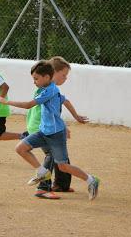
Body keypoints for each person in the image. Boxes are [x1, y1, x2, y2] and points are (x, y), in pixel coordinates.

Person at [0, 60, 100, 201]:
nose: (34, 82)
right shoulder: (48, 88)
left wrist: (5, 101)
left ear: (47, 77)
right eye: (33, 79)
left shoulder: (50, 90)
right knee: (20, 148)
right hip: (44, 132)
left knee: (63, 166)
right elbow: (64, 100)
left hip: (56, 135)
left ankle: (91, 180)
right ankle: (42, 173)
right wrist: (76, 116)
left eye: (36, 79)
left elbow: (28, 105)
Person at [24, 56, 89, 199]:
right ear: (53, 73)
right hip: (41, 128)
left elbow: (64, 103)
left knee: (62, 159)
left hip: (49, 128)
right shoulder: (45, 89)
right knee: (52, 156)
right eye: (64, 75)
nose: (65, 78)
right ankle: (43, 187)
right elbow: (43, 113)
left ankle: (61, 185)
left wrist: (68, 122)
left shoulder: (53, 89)